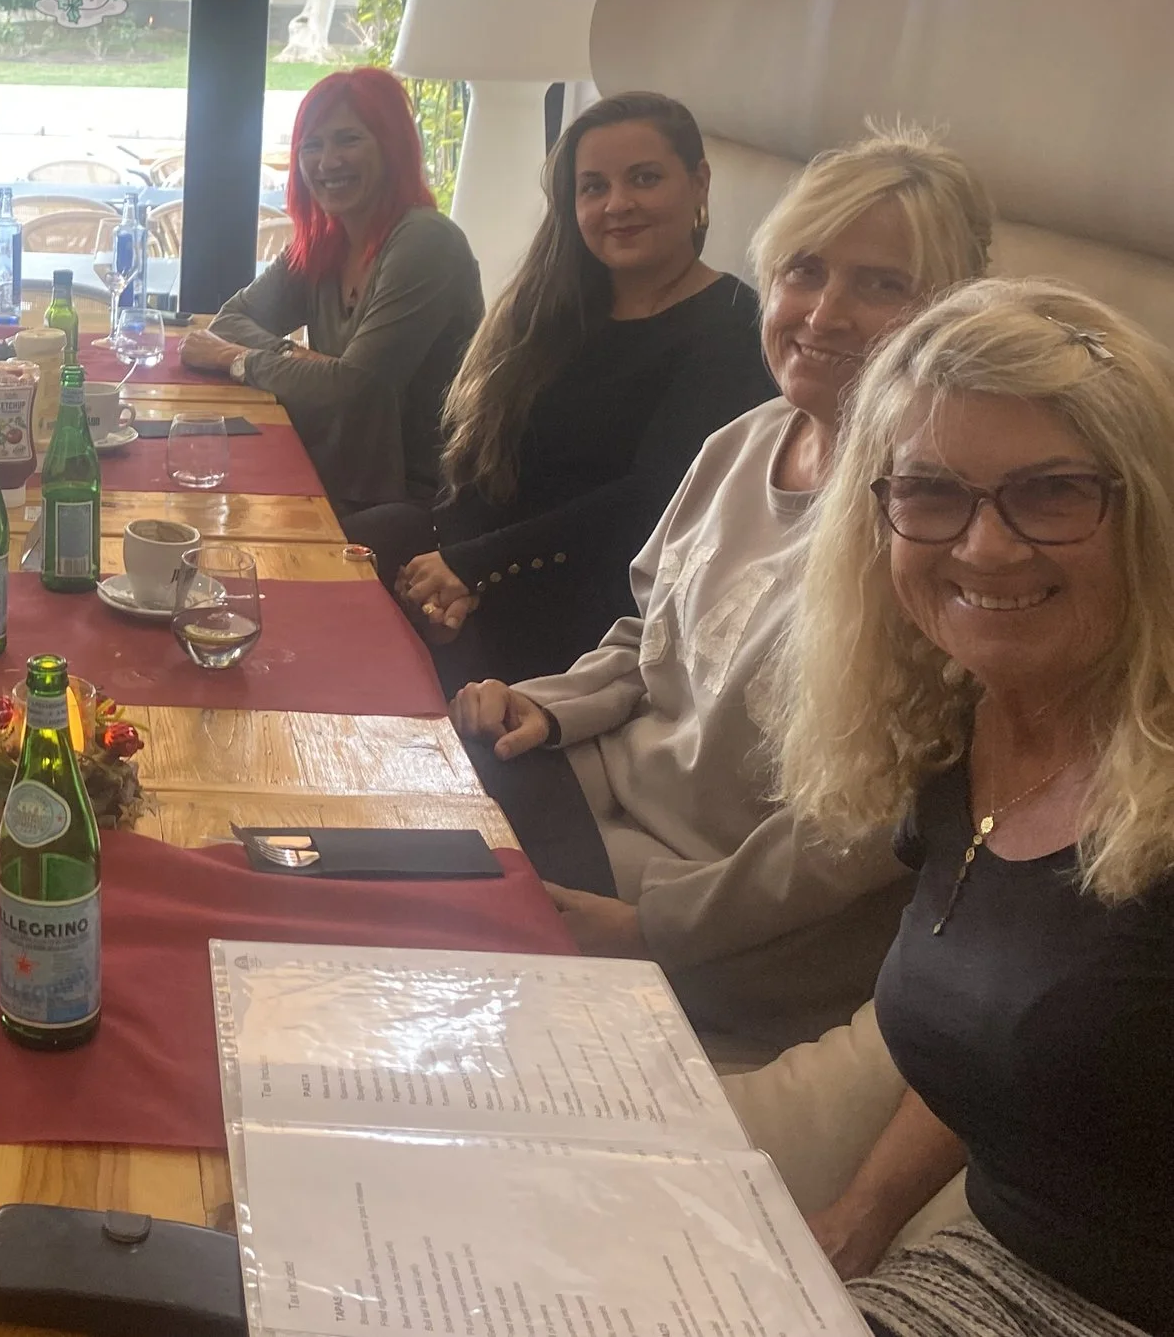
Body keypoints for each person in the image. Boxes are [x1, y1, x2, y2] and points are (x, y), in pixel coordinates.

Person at [450, 132, 994, 1059]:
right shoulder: (745, 440)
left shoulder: (935, 525)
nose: (823, 313)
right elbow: (645, 631)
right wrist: (548, 703)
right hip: (599, 801)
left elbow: (859, 828)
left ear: (949, 313)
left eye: (881, 284)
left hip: (715, 909)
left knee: (419, 911)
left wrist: (648, 929)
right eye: (804, 271)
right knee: (404, 798)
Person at [772, 280, 1174, 1337]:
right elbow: (1010, 1038)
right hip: (981, 1269)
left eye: (1053, 492)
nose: (986, 548)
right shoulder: (957, 736)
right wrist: (861, 1217)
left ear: (1149, 510)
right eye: (932, 491)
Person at [355, 90, 777, 694]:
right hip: (481, 577)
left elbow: (651, 502)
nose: (617, 204)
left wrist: (475, 567)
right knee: (331, 558)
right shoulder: (553, 309)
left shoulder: (735, 328)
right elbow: (477, 453)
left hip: (595, 609)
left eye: (645, 178)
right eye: (593, 187)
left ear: (699, 183)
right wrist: (451, 576)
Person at [181, 67, 483, 515]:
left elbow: (353, 389)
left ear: (392, 147)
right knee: (195, 491)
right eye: (312, 145)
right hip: (335, 472)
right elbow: (230, 321)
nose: (327, 162)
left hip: (419, 501)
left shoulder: (425, 240)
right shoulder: (324, 242)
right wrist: (304, 360)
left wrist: (238, 359)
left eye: (348, 140)